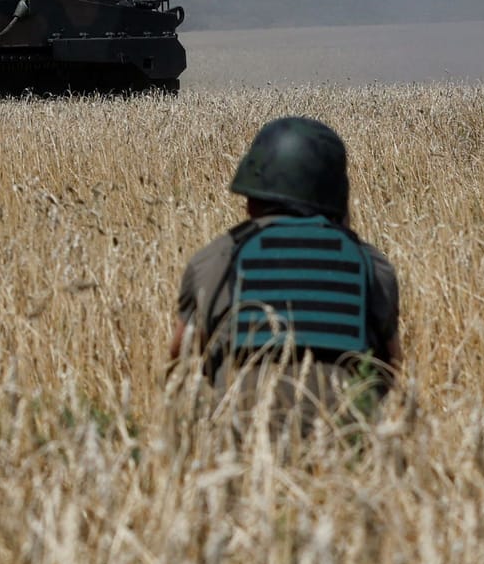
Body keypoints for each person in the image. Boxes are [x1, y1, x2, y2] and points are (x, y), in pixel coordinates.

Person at [171, 116, 401, 425]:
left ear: (251, 200)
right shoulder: (370, 264)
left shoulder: (216, 259)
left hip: (242, 444)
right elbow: (391, 370)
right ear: (338, 199)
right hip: (346, 445)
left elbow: (178, 361)